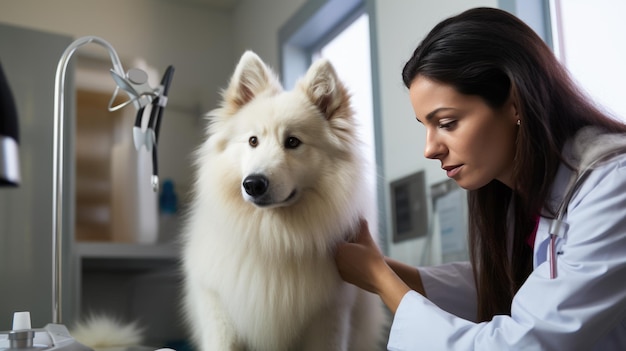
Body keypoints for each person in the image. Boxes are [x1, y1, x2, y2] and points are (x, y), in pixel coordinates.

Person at [334, 7, 626, 351]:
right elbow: (508, 285)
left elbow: (522, 343)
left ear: (514, 103)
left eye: (446, 123)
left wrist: (381, 280)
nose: (429, 149)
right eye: (425, 126)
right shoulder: (521, 199)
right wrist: (379, 268)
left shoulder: (611, 186)